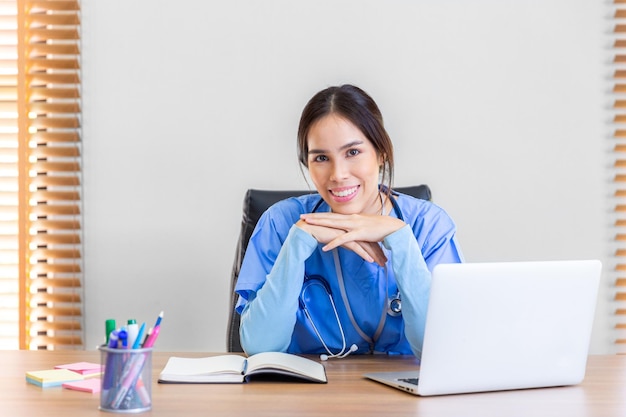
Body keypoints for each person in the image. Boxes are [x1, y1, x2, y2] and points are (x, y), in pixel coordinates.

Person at [234, 84, 463, 360]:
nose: (338, 174)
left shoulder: (429, 226)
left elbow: (444, 352)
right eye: (321, 158)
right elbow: (260, 348)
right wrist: (296, 246)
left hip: (407, 398)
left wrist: (402, 240)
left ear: (381, 153)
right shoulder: (280, 224)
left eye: (353, 152)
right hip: (308, 397)